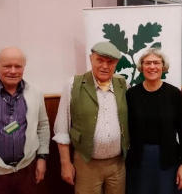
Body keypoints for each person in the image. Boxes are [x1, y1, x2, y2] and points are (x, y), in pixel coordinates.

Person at [53, 41, 129, 194]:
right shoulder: (73, 84)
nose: (105, 66)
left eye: (110, 62)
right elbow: (62, 128)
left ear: (116, 63)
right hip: (86, 164)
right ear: (91, 59)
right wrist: (65, 163)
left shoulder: (122, 84)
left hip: (117, 165)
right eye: (100, 60)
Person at [0, 47, 50, 194]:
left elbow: (43, 126)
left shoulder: (35, 92)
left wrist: (42, 158)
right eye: (7, 66)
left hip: (27, 173)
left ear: (24, 66)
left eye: (18, 66)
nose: (13, 71)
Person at [126, 48, 182, 194]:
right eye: (147, 63)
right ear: (141, 67)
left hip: (168, 159)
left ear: (163, 66)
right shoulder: (131, 94)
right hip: (139, 160)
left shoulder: (174, 94)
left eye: (156, 62)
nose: (152, 67)